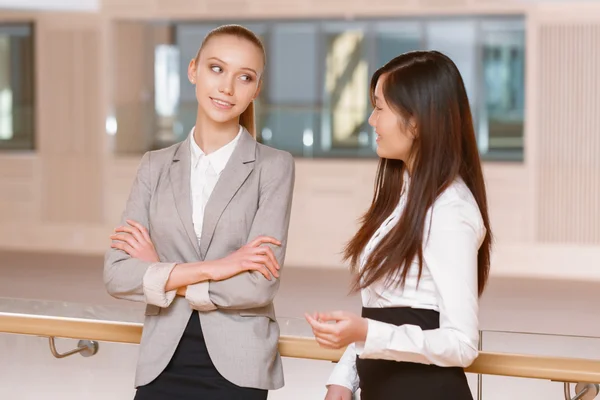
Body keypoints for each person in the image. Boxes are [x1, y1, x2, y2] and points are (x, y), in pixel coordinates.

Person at [104, 24, 295, 400]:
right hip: (162, 360)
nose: (227, 88)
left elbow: (259, 283)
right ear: (193, 70)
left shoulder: (273, 167)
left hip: (239, 366)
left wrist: (162, 272)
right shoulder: (154, 165)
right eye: (216, 69)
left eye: (245, 77)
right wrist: (217, 267)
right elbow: (117, 274)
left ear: (256, 90)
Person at [305, 50, 492, 400]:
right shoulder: (403, 194)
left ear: (417, 121)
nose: (372, 121)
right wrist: (344, 376)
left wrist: (365, 332)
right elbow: (382, 310)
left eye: (380, 108)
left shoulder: (449, 209)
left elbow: (462, 343)